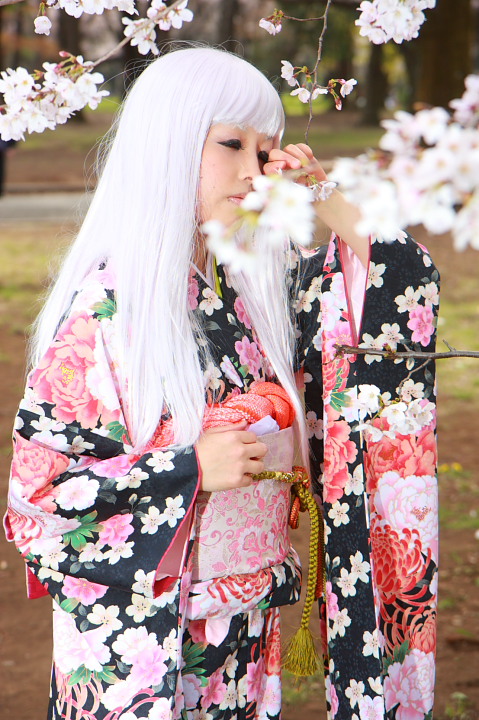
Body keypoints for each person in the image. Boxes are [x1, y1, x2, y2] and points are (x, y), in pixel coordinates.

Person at [4, 46, 439, 720]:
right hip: (144, 635)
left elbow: (401, 284)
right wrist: (192, 468)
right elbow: (39, 497)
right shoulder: (106, 309)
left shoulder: (252, 292)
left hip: (246, 620)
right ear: (168, 142)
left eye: (266, 151)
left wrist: (323, 193)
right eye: (231, 144)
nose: (254, 170)